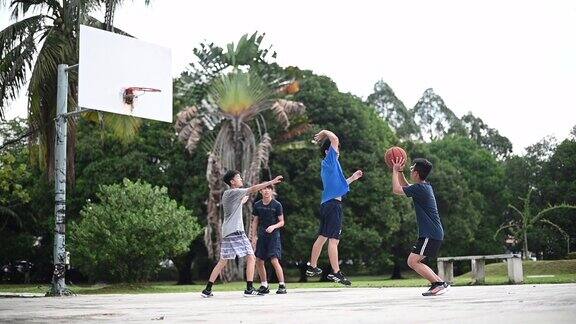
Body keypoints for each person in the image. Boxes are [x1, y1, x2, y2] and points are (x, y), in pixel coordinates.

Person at [201, 171, 283, 298]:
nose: (241, 179)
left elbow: (235, 205)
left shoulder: (228, 194)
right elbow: (254, 188)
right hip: (236, 231)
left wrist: (242, 201)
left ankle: (207, 289)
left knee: (223, 261)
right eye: (238, 177)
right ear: (232, 182)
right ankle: (249, 289)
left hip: (227, 232)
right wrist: (271, 182)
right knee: (251, 257)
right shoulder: (235, 192)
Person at [306, 129, 363, 285]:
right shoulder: (330, 159)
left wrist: (352, 178)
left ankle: (312, 266)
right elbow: (335, 139)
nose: (337, 150)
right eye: (334, 148)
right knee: (334, 240)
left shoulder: (329, 166)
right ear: (328, 150)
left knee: (323, 237)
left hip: (327, 204)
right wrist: (324, 132)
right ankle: (336, 273)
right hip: (333, 205)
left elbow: (339, 185)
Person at [391, 156, 449, 296]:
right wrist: (400, 172)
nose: (410, 171)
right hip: (432, 233)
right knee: (414, 260)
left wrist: (394, 171)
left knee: (413, 261)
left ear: (416, 173)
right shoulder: (423, 187)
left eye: (411, 169)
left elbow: (397, 189)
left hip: (430, 233)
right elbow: (406, 186)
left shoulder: (421, 189)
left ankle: (438, 284)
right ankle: (440, 283)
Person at [250, 186, 287, 294]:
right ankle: (264, 285)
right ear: (260, 191)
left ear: (272, 191)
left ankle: (282, 285)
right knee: (259, 260)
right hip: (262, 235)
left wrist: (273, 226)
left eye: (268, 188)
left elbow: (282, 222)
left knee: (274, 260)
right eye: (264, 189)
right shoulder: (257, 205)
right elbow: (255, 221)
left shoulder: (277, 205)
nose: (266, 190)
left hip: (274, 236)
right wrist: (254, 236)